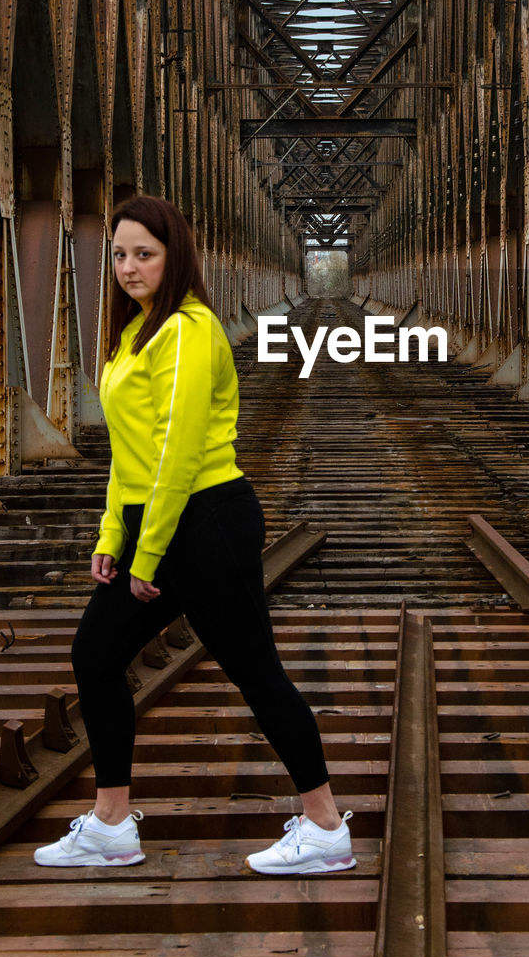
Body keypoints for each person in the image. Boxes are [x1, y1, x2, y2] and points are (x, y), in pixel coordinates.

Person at [34, 195, 354, 875]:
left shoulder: (186, 328)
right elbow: (132, 450)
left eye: (143, 254)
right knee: (94, 654)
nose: (128, 267)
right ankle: (112, 823)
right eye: (118, 254)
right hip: (160, 520)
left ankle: (325, 825)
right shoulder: (136, 333)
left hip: (206, 520)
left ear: (174, 256)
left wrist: (147, 552)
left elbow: (178, 453)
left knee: (255, 671)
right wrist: (111, 536)